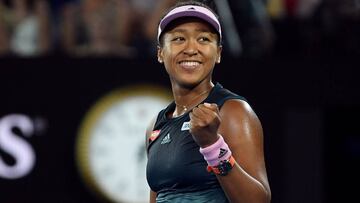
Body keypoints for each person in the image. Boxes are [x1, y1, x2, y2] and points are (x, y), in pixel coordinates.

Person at [145, 1, 271, 202]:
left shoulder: (234, 111)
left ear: (218, 53)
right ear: (160, 53)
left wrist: (212, 145)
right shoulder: (155, 126)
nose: (191, 49)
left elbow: (258, 200)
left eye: (203, 39)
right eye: (178, 38)